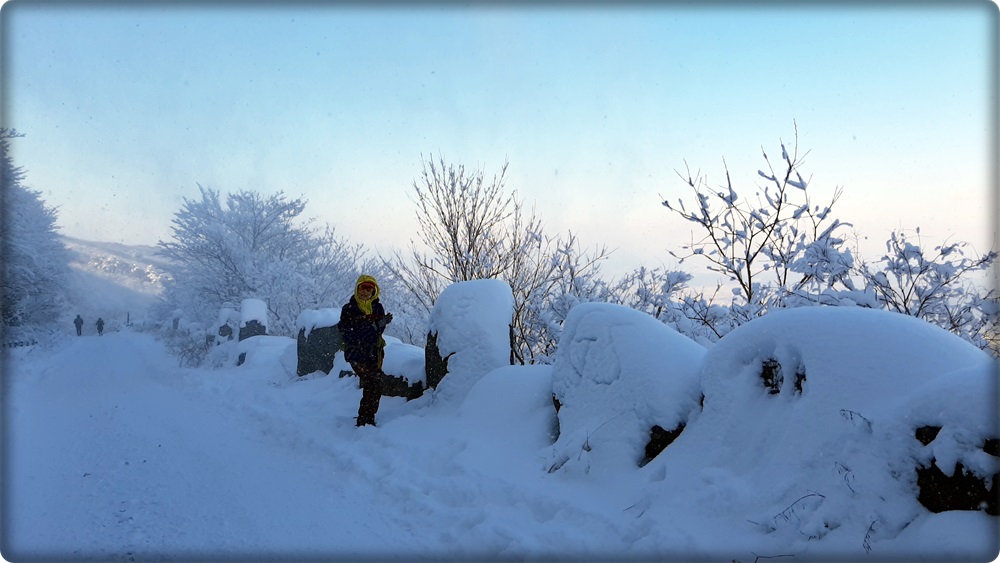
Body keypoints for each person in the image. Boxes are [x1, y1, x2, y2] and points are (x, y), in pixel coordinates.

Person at [339, 275, 393, 427]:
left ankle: (367, 417)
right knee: (373, 382)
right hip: (356, 353)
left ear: (374, 291)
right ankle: (364, 419)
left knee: (375, 384)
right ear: (357, 288)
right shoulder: (349, 309)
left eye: (370, 288)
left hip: (374, 352)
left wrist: (375, 327)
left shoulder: (378, 308)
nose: (366, 291)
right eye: (363, 287)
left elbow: (376, 333)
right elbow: (350, 335)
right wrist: (373, 326)